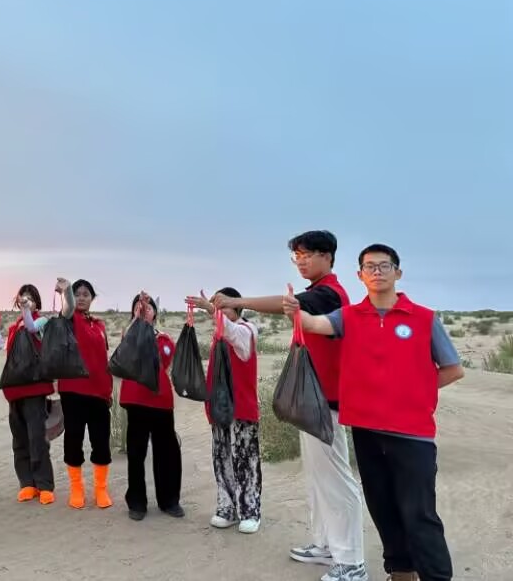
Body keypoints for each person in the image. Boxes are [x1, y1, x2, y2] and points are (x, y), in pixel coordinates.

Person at [284, 244, 462, 581]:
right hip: (366, 431)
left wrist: (413, 392)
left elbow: (453, 369)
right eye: (369, 266)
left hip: (413, 434)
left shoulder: (424, 318)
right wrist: (295, 311)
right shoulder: (349, 317)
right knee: (383, 510)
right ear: (360, 275)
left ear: (398, 272)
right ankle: (401, 574)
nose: (377, 271)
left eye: (384, 265)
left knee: (419, 513)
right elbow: (314, 324)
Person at [205, 230, 366, 581]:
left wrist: (237, 301)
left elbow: (283, 305)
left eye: (307, 255)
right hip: (313, 401)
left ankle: (352, 561)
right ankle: (326, 545)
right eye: (297, 256)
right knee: (319, 480)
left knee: (336, 482)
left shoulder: (329, 293)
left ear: (328, 256)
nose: (301, 262)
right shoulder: (318, 292)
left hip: (326, 403)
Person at [188, 287, 262, 534]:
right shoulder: (218, 336)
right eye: (218, 306)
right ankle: (227, 508)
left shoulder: (246, 330)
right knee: (222, 458)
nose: (219, 311)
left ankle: (250, 510)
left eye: (224, 306)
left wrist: (212, 311)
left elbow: (234, 335)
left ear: (237, 307)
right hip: (220, 409)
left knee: (245, 460)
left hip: (242, 408)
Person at [5, 278, 75, 505]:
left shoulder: (41, 321)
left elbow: (32, 328)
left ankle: (44, 484)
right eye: (23, 298)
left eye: (31, 298)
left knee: (37, 439)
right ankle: (27, 483)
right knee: (20, 439)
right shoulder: (13, 327)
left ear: (37, 302)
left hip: (35, 389)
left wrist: (28, 310)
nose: (27, 301)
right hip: (15, 391)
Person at [119, 293, 184, 522]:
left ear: (155, 312)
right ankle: (137, 502)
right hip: (136, 400)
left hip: (161, 401)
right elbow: (128, 351)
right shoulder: (129, 333)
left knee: (167, 452)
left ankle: (169, 501)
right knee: (136, 453)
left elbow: (163, 362)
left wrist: (148, 329)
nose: (144, 309)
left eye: (148, 307)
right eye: (139, 307)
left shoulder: (164, 339)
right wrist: (138, 321)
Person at [58, 279, 113, 510]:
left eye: (85, 294)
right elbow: (68, 307)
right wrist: (66, 292)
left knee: (101, 441)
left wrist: (108, 390)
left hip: (99, 392)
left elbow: (102, 359)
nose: (81, 298)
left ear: (92, 298)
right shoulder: (69, 319)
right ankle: (76, 488)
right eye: (77, 294)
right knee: (74, 440)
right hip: (73, 390)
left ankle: (100, 488)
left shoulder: (99, 325)